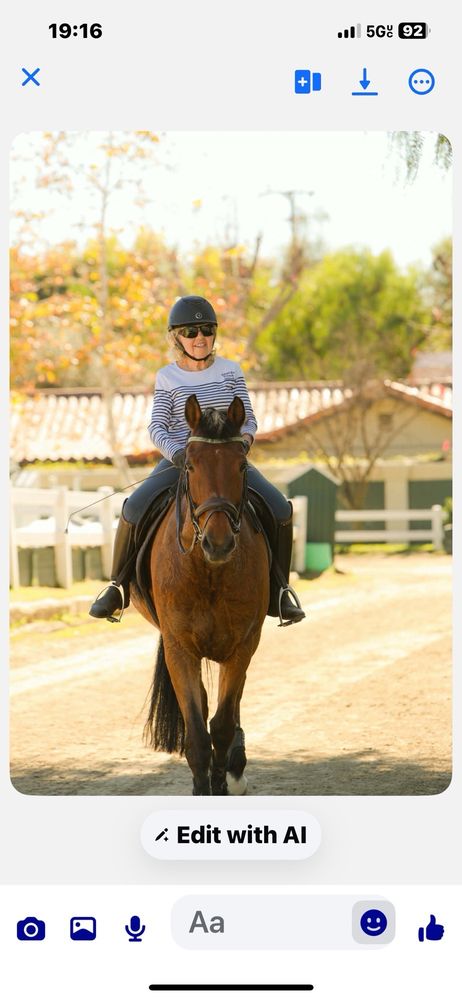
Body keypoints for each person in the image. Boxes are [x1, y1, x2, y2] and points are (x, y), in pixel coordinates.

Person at [89, 295, 305, 626]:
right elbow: (157, 426)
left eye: (207, 330)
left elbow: (247, 419)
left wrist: (244, 443)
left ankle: (280, 590)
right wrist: (177, 454)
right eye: (190, 332)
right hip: (182, 460)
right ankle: (116, 587)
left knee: (279, 509)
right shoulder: (167, 377)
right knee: (133, 508)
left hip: (228, 461)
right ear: (176, 337)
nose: (200, 338)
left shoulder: (231, 371)